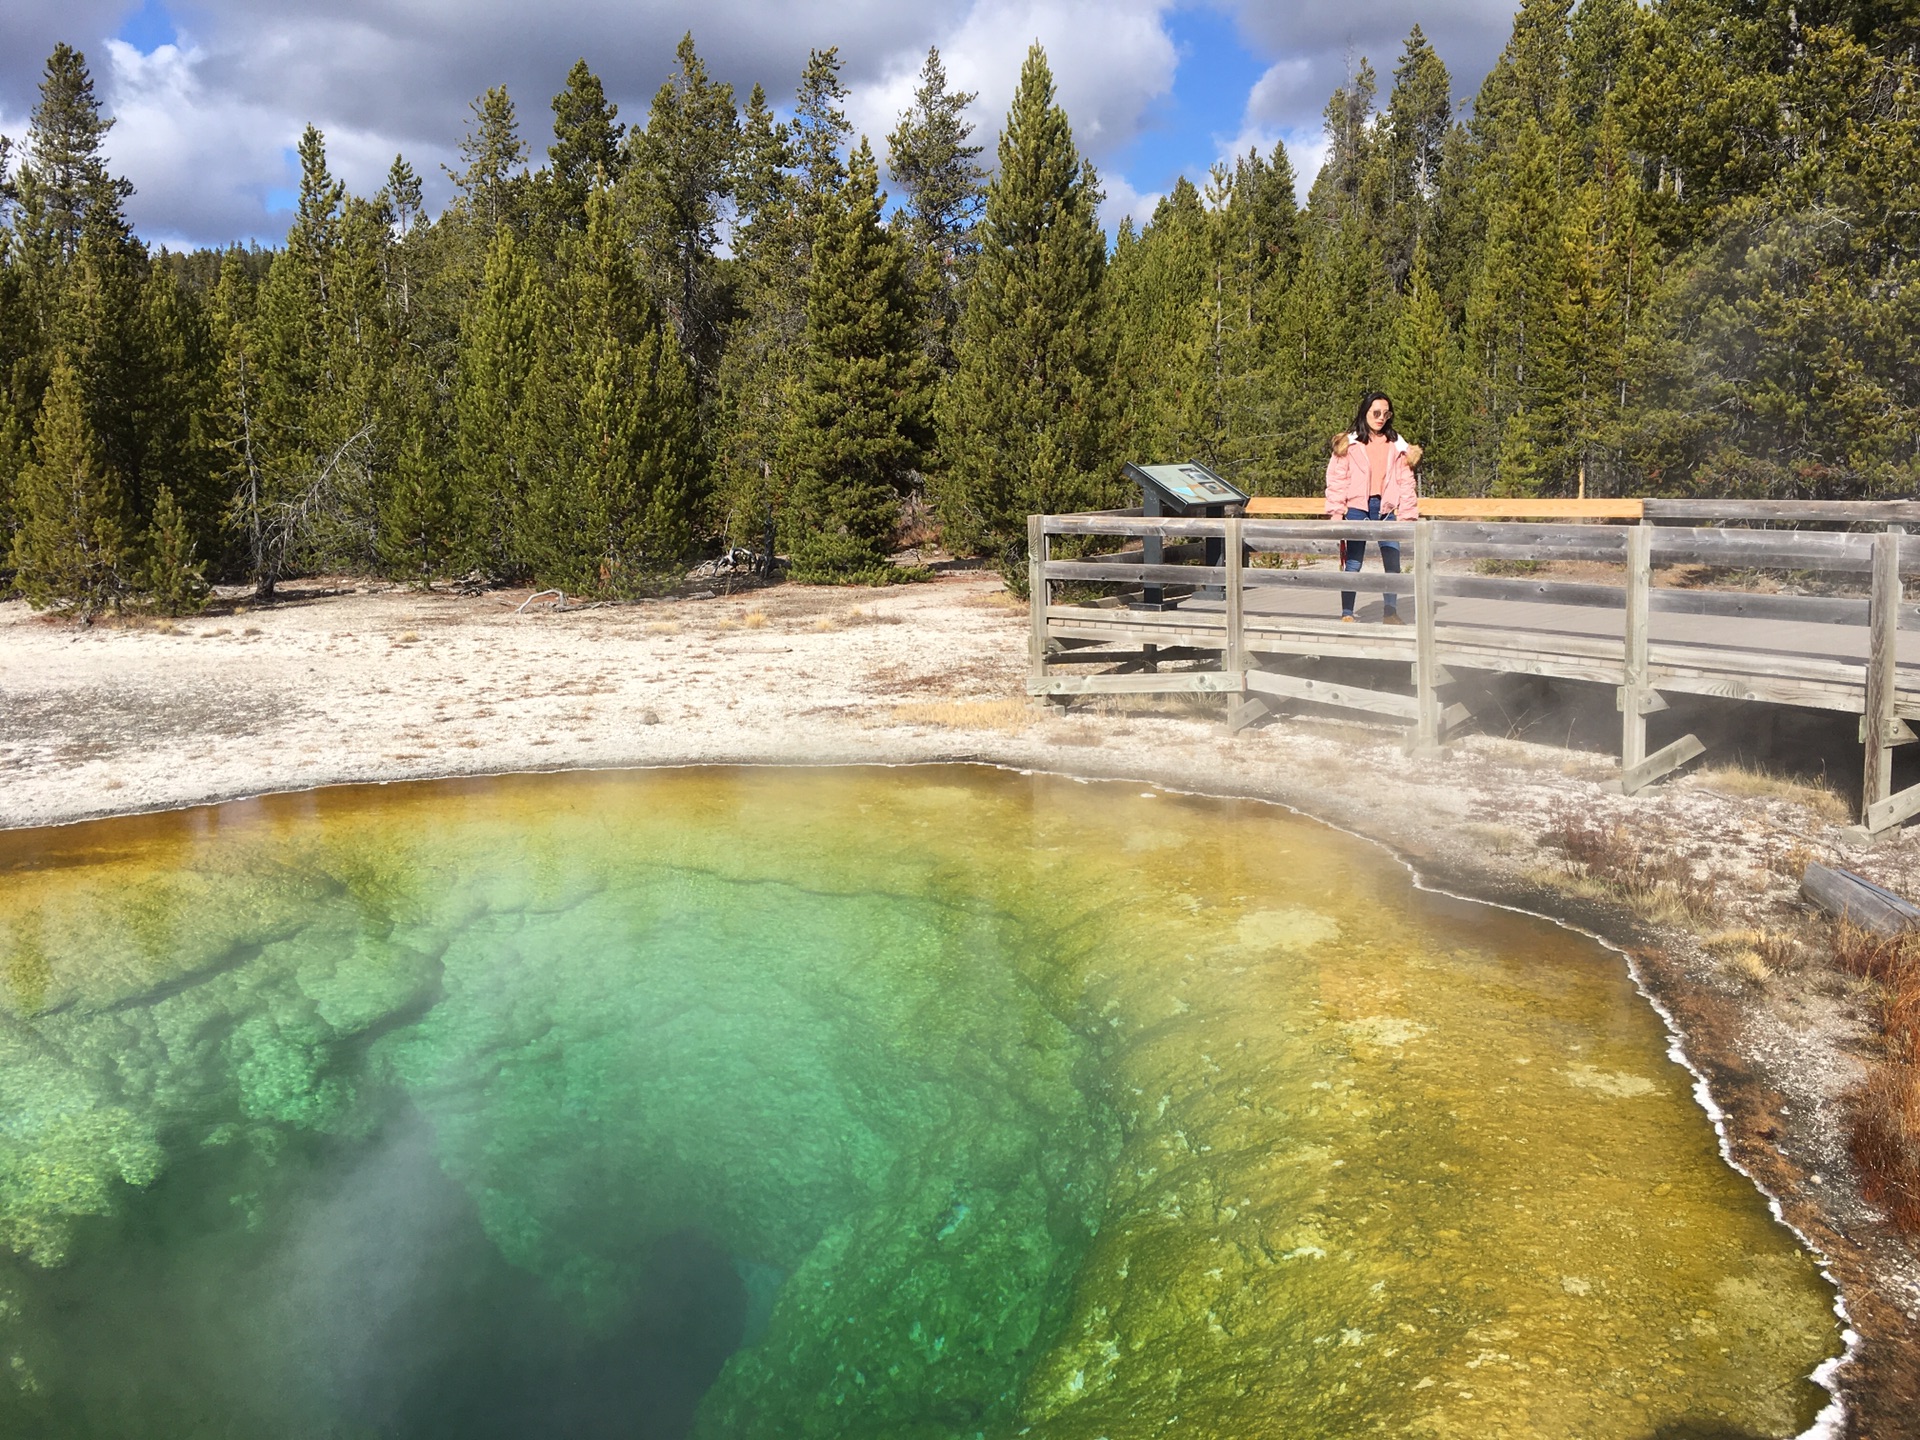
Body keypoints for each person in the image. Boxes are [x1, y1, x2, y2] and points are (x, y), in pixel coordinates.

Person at [1325, 391, 1422, 623]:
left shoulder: (1398, 446)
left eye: (1386, 413)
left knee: (1392, 560)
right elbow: (1337, 480)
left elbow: (1406, 483)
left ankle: (1390, 612)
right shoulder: (1349, 444)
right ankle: (1347, 613)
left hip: (1386, 507)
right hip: (1356, 507)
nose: (1381, 418)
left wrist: (1407, 515)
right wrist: (1337, 511)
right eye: (1376, 413)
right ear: (1365, 412)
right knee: (1354, 561)